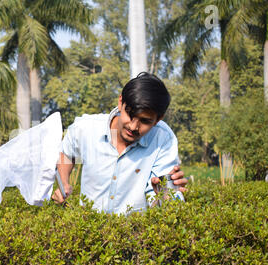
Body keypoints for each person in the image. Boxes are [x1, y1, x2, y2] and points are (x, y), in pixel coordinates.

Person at [52, 72, 188, 213]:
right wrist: (64, 183)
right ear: (120, 102)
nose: (133, 127)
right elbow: (67, 154)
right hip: (87, 228)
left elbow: (162, 199)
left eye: (145, 121)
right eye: (130, 115)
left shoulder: (163, 139)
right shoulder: (86, 128)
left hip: (136, 232)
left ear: (158, 119)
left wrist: (165, 196)